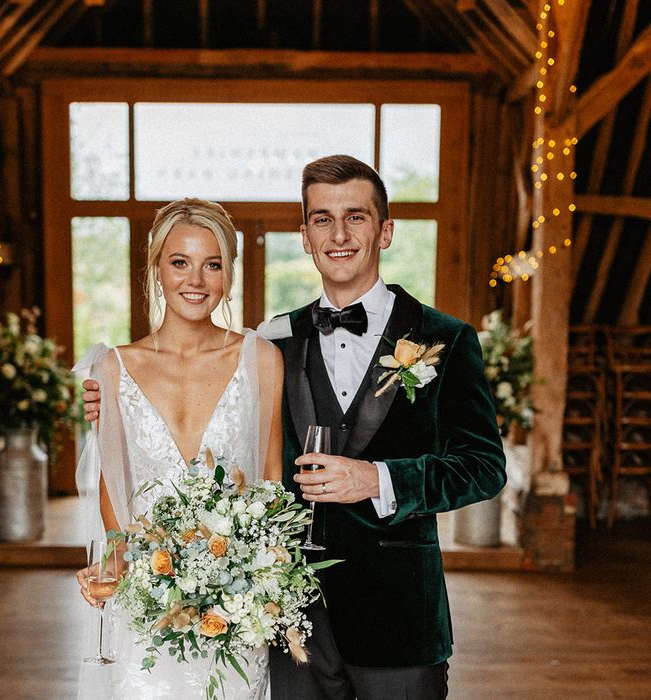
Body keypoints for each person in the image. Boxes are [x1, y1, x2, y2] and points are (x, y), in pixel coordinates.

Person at [83, 155, 506, 699]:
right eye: (322, 219)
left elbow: (484, 468)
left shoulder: (444, 339)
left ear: (386, 230)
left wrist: (377, 479)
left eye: (355, 216)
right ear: (305, 236)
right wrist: (111, 401)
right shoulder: (271, 344)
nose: (339, 234)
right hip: (285, 622)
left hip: (397, 619)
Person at [75, 198, 284, 699]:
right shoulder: (112, 368)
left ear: (228, 274)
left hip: (235, 612)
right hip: (146, 606)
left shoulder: (260, 359)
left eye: (212, 264)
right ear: (157, 269)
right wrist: (116, 554)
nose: (196, 279)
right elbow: (112, 484)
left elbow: (271, 479)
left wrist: (259, 572)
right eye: (180, 262)